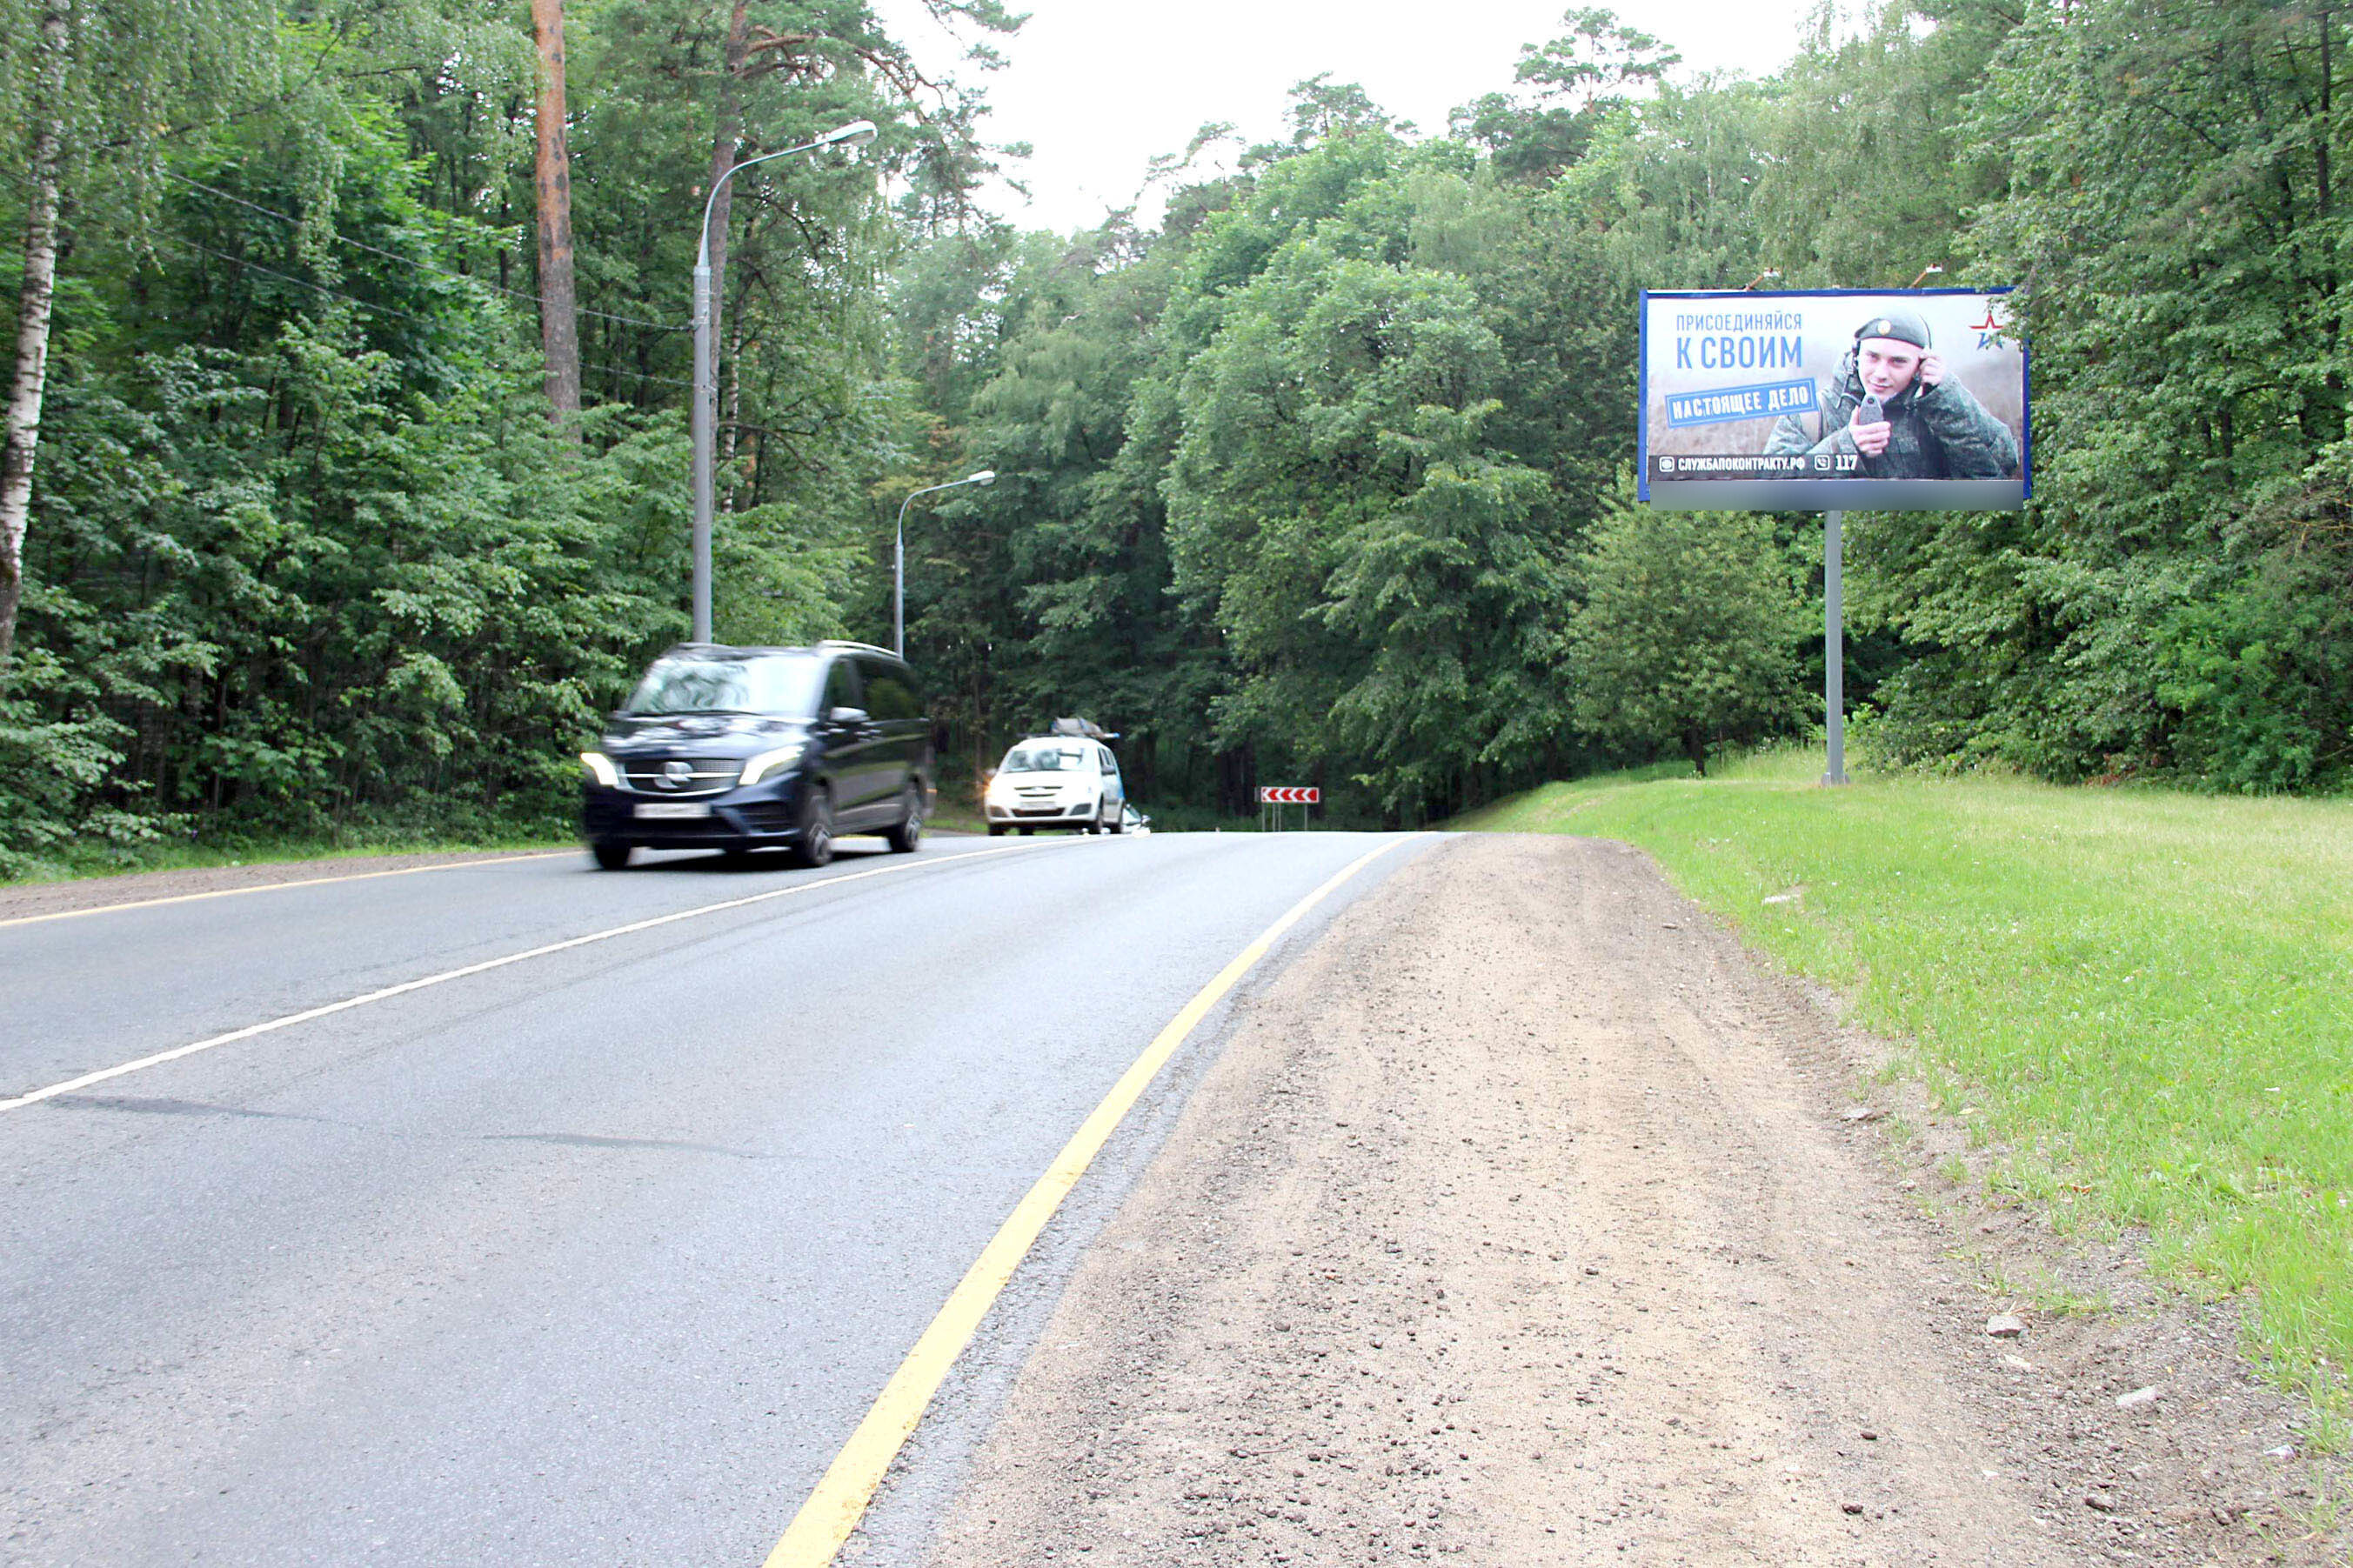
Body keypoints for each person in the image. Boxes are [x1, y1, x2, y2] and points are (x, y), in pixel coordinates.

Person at [1764, 307, 2019, 478]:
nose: (1880, 373)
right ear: (1856, 356)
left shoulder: (1941, 407)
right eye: (1872, 357)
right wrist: (1845, 448)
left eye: (1898, 362)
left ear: (1921, 365)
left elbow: (1999, 469)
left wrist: (1946, 397)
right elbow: (1769, 485)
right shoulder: (1812, 412)